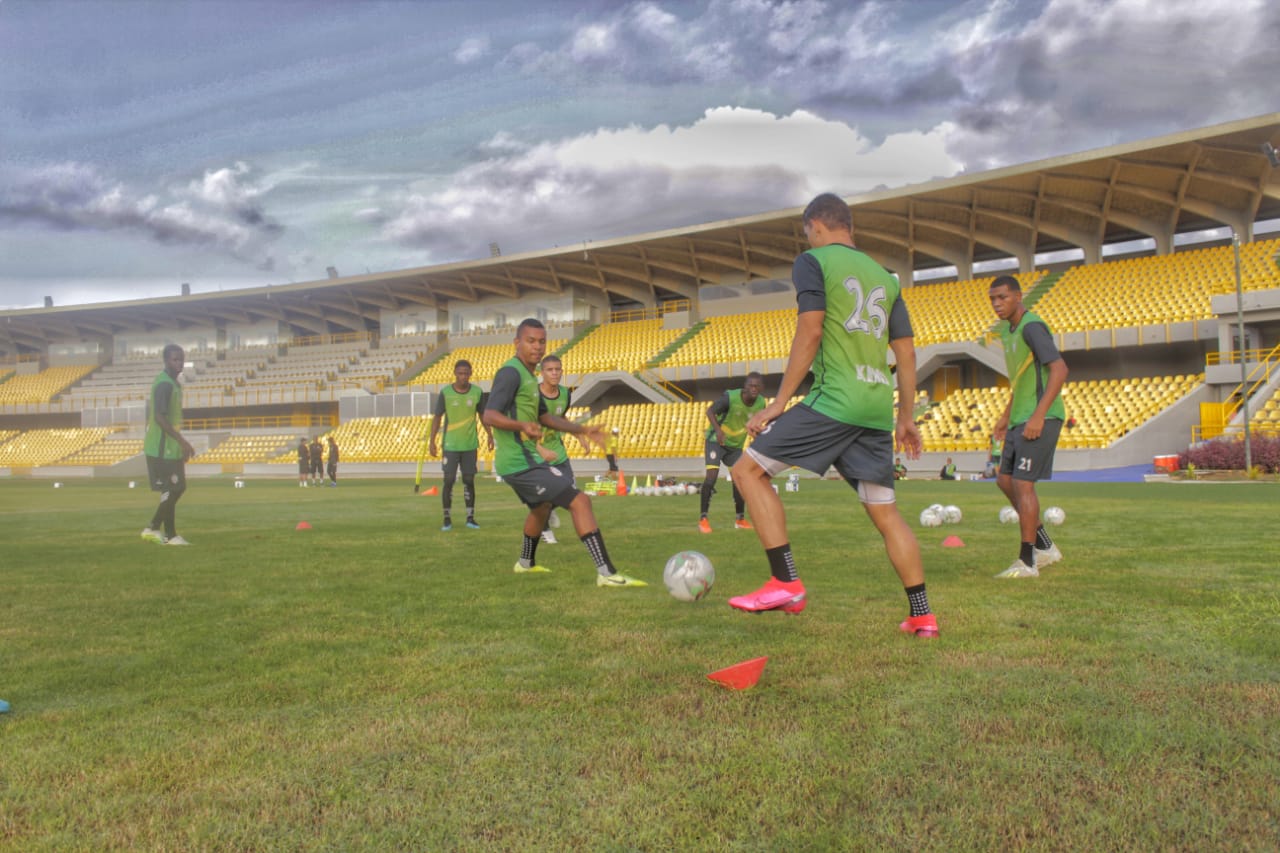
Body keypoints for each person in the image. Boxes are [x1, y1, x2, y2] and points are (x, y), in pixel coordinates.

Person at [725, 192, 938, 638]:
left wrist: (781, 401)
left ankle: (785, 582)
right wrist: (905, 416)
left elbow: (812, 326)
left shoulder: (813, 261)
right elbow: (906, 351)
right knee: (886, 515)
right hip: (877, 407)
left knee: (746, 471)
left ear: (815, 227)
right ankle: (922, 615)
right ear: (849, 226)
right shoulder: (886, 277)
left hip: (835, 400)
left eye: (808, 233)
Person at [483, 318, 646, 588]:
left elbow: (545, 417)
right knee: (580, 501)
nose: (537, 346)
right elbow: (489, 414)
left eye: (541, 341)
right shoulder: (510, 373)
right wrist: (521, 425)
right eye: (530, 341)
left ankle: (525, 564)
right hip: (517, 461)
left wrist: (580, 430)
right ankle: (607, 574)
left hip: (525, 459)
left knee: (541, 509)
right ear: (517, 343)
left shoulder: (528, 377)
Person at [989, 274, 1069, 578]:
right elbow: (1023, 380)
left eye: (1003, 297)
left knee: (1023, 484)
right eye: (993, 299)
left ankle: (1027, 561)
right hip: (1019, 418)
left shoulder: (1031, 327)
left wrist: (1038, 415)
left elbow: (1060, 369)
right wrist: (1006, 415)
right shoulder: (1008, 333)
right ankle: (1046, 546)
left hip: (1041, 418)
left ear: (1019, 296)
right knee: (1004, 481)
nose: (997, 303)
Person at [140, 344, 196, 546]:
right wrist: (183, 441)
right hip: (160, 447)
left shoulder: (174, 384)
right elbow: (159, 418)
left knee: (174, 488)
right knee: (175, 487)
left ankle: (170, 535)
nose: (179, 363)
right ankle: (154, 527)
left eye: (181, 359)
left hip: (170, 447)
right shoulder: (164, 384)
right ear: (166, 361)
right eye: (175, 359)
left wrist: (180, 444)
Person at [429, 359, 494, 531]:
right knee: (448, 480)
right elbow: (437, 417)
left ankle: (470, 518)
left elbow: (483, 415)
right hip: (450, 445)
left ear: (471, 373)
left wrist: (489, 435)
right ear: (455, 374)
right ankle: (447, 519)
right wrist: (432, 441)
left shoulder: (477, 392)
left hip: (470, 445)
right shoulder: (446, 393)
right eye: (460, 373)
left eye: (466, 373)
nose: (463, 376)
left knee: (468, 480)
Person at [698, 372, 767, 533]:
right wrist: (718, 431)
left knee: (740, 479)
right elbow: (710, 411)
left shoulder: (761, 403)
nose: (754, 388)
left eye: (757, 386)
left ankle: (740, 519)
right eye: (751, 385)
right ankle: (703, 519)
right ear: (745, 386)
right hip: (716, 441)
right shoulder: (730, 398)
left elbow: (755, 423)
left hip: (735, 447)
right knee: (711, 477)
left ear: (761, 388)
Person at [536, 354, 588, 544]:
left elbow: (561, 418)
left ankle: (547, 513)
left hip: (558, 450)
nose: (554, 373)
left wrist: (579, 434)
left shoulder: (565, 394)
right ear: (542, 373)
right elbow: (523, 426)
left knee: (570, 490)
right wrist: (539, 449)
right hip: (537, 453)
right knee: (548, 494)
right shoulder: (532, 396)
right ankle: (545, 531)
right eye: (550, 369)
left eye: (557, 369)